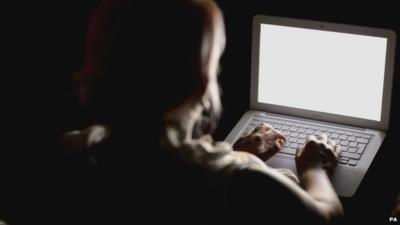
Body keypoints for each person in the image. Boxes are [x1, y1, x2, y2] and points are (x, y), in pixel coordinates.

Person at [64, 0, 343, 224]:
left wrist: (236, 153)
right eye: (215, 62)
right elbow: (327, 216)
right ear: (202, 81)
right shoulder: (241, 180)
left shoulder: (72, 148)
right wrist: (313, 168)